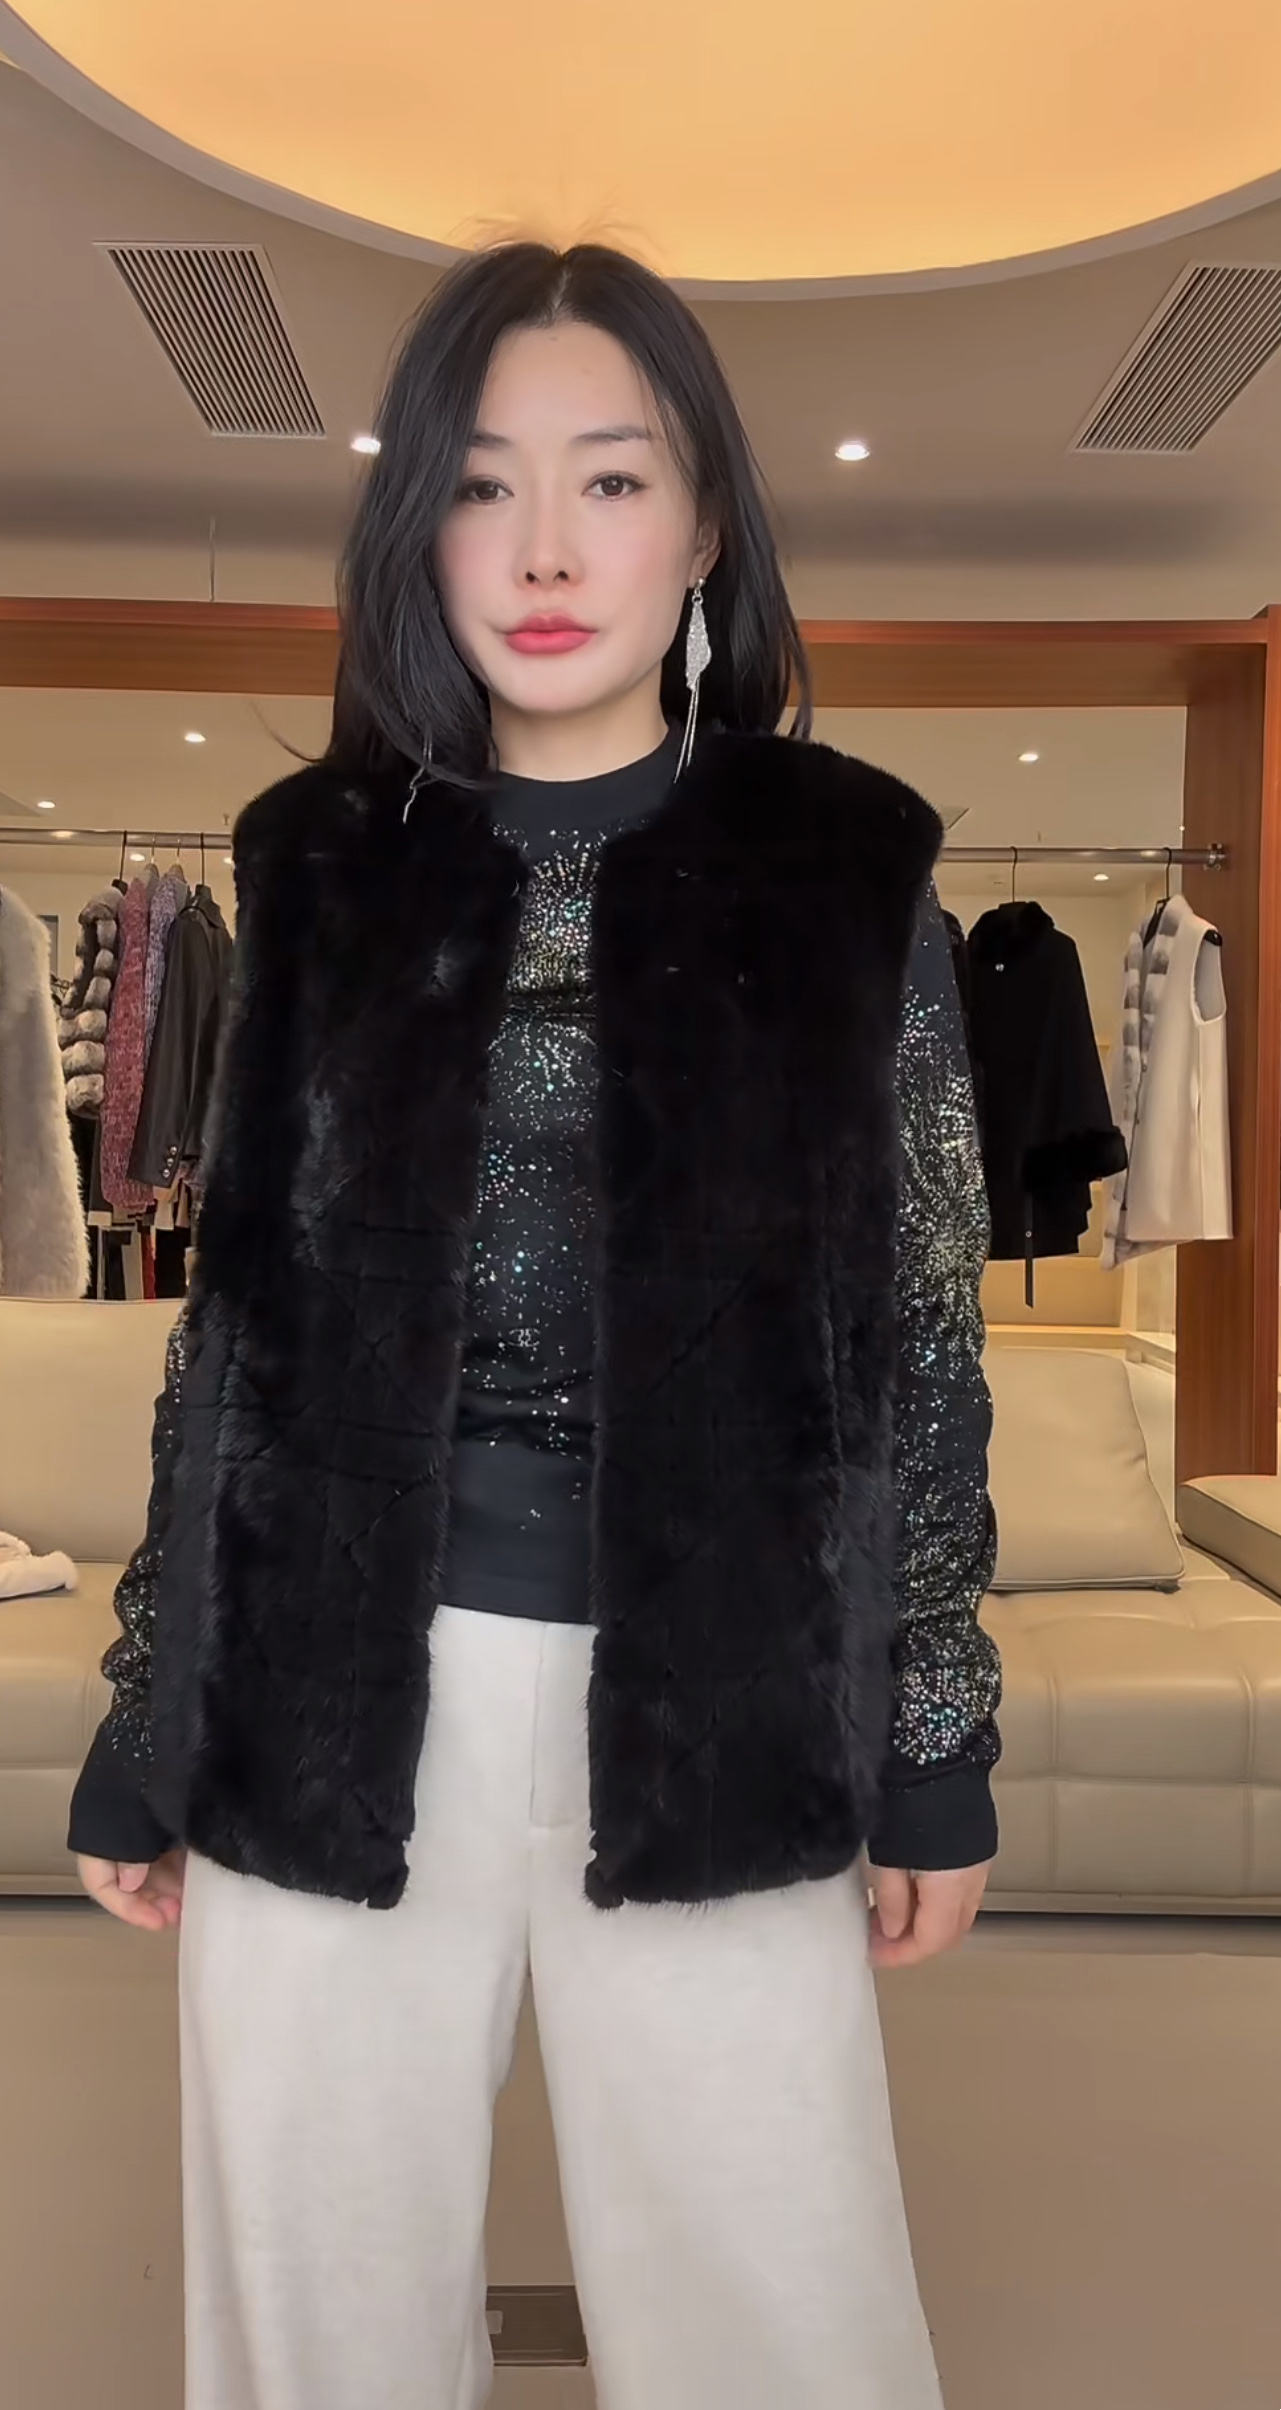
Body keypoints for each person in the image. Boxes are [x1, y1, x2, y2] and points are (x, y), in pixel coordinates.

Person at [69, 241, 1001, 2410]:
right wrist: (151, 1705)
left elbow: (918, 1330)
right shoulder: (321, 864)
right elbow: (238, 1341)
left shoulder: (843, 877)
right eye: (484, 485)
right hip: (324, 1680)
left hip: (721, 1686)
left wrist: (933, 1735)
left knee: (781, 2313)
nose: (548, 549)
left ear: (703, 525)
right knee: (310, 2307)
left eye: (613, 477)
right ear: (421, 531)